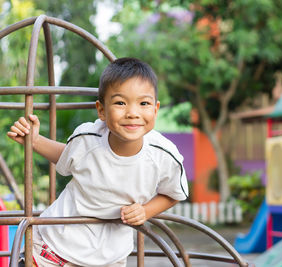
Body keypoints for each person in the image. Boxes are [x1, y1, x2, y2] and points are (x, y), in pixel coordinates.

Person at [8, 57, 189, 267]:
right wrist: (35, 141)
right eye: (120, 103)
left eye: (144, 103)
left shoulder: (164, 155)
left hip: (109, 258)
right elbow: (67, 157)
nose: (132, 113)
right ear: (101, 110)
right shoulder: (87, 139)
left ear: (155, 109)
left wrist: (146, 210)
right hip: (55, 247)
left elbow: (174, 193)